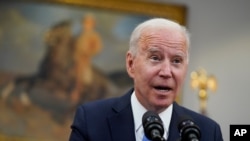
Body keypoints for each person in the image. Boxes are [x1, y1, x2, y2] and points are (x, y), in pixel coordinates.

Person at [69, 18, 223, 141]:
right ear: (131, 64)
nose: (166, 72)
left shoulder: (208, 132)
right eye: (155, 58)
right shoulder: (91, 120)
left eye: (176, 61)